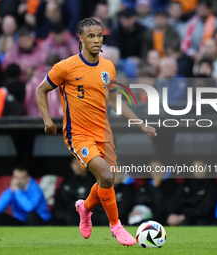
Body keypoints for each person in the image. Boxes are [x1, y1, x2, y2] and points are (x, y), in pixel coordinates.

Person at [36, 18, 157, 246]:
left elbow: (114, 101)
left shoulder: (108, 67)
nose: (95, 40)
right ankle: (116, 227)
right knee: (108, 176)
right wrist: (48, 121)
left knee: (105, 181)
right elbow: (40, 90)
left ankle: (85, 208)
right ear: (80, 38)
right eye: (91, 36)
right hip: (78, 134)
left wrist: (140, 123)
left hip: (103, 133)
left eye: (99, 36)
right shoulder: (66, 67)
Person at [167, 160, 217, 226]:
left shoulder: (212, 186)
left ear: (206, 169)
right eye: (195, 168)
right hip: (181, 218)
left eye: (201, 168)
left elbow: (205, 208)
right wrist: (172, 214)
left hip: (203, 220)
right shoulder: (185, 185)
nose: (198, 170)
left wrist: (183, 216)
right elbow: (175, 201)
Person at [128, 161, 178, 226]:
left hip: (166, 220)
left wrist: (156, 187)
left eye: (158, 168)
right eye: (153, 169)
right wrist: (136, 210)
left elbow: (162, 208)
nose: (155, 172)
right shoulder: (145, 187)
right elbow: (139, 201)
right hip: (147, 218)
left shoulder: (172, 186)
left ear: (165, 169)